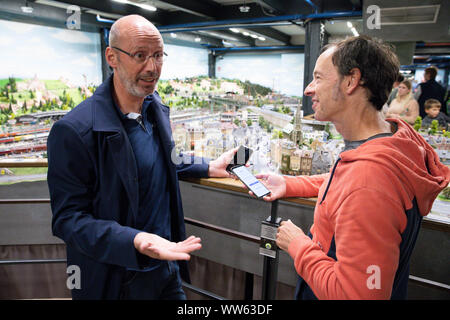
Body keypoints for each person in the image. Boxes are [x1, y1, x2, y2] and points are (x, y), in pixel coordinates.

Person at [47, 15, 237, 300]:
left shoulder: (154, 107)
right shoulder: (74, 131)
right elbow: (68, 220)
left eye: (158, 56)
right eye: (140, 55)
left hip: (164, 270)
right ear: (112, 57)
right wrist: (134, 239)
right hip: (115, 279)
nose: (152, 68)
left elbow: (160, 156)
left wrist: (208, 166)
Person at [251, 36, 449, 299]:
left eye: (319, 77)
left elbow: (355, 295)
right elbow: (347, 182)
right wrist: (290, 184)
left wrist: (298, 244)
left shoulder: (370, 181)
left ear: (351, 80)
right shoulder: (390, 143)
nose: (309, 89)